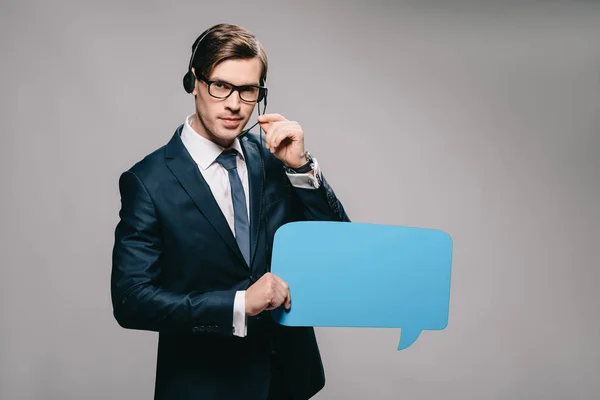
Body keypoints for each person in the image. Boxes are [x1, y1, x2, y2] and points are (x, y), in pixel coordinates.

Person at [110, 23, 350, 400]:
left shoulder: (274, 159)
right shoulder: (148, 181)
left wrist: (301, 168)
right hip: (204, 385)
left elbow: (339, 247)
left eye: (249, 90)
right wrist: (238, 305)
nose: (235, 104)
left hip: (287, 381)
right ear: (194, 82)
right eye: (221, 86)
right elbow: (131, 301)